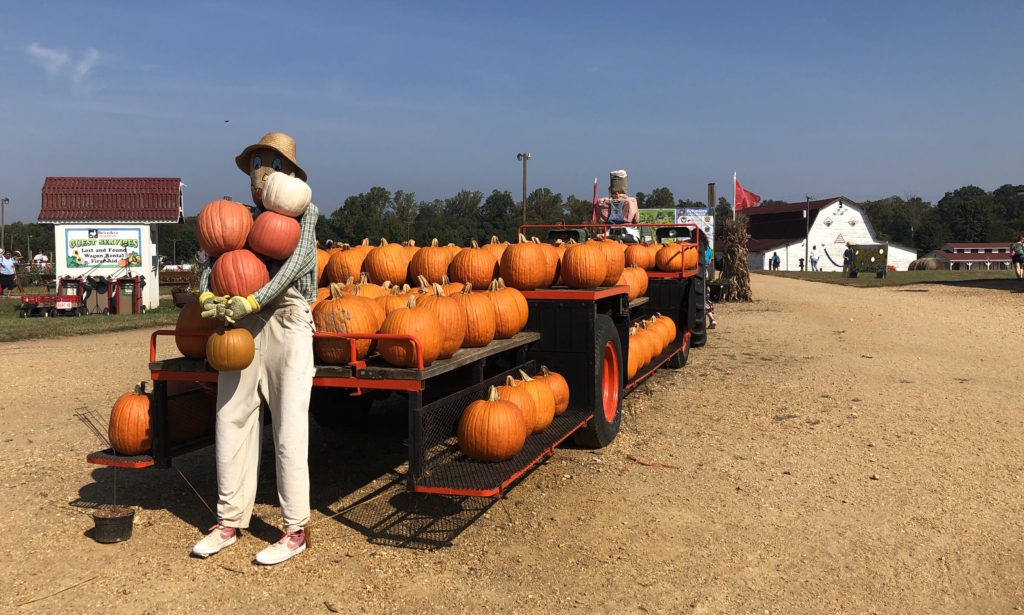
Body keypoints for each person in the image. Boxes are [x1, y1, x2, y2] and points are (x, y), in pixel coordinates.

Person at [192, 132, 318, 566]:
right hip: (243, 322)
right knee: (231, 415)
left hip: (288, 320)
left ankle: (295, 528)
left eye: (268, 165)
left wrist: (254, 298)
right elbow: (214, 263)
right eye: (255, 166)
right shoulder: (241, 218)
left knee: (289, 425)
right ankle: (228, 520)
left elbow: (296, 263)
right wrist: (208, 294)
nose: (259, 174)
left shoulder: (306, 214)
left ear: (288, 174)